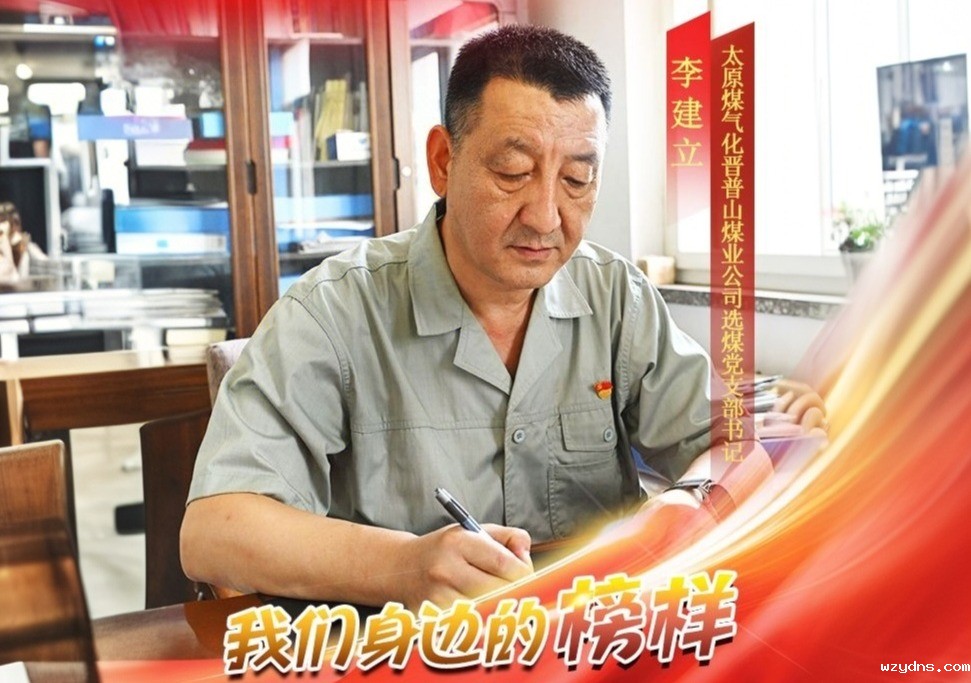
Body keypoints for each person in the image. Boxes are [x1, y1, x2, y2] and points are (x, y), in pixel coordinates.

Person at [181, 24, 822, 610]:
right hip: (416, 651)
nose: (545, 217)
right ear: (443, 162)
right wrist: (405, 566)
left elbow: (729, 441)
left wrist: (683, 506)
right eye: (513, 172)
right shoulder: (334, 312)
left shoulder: (613, 295)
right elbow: (214, 531)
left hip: (597, 639)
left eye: (577, 180)